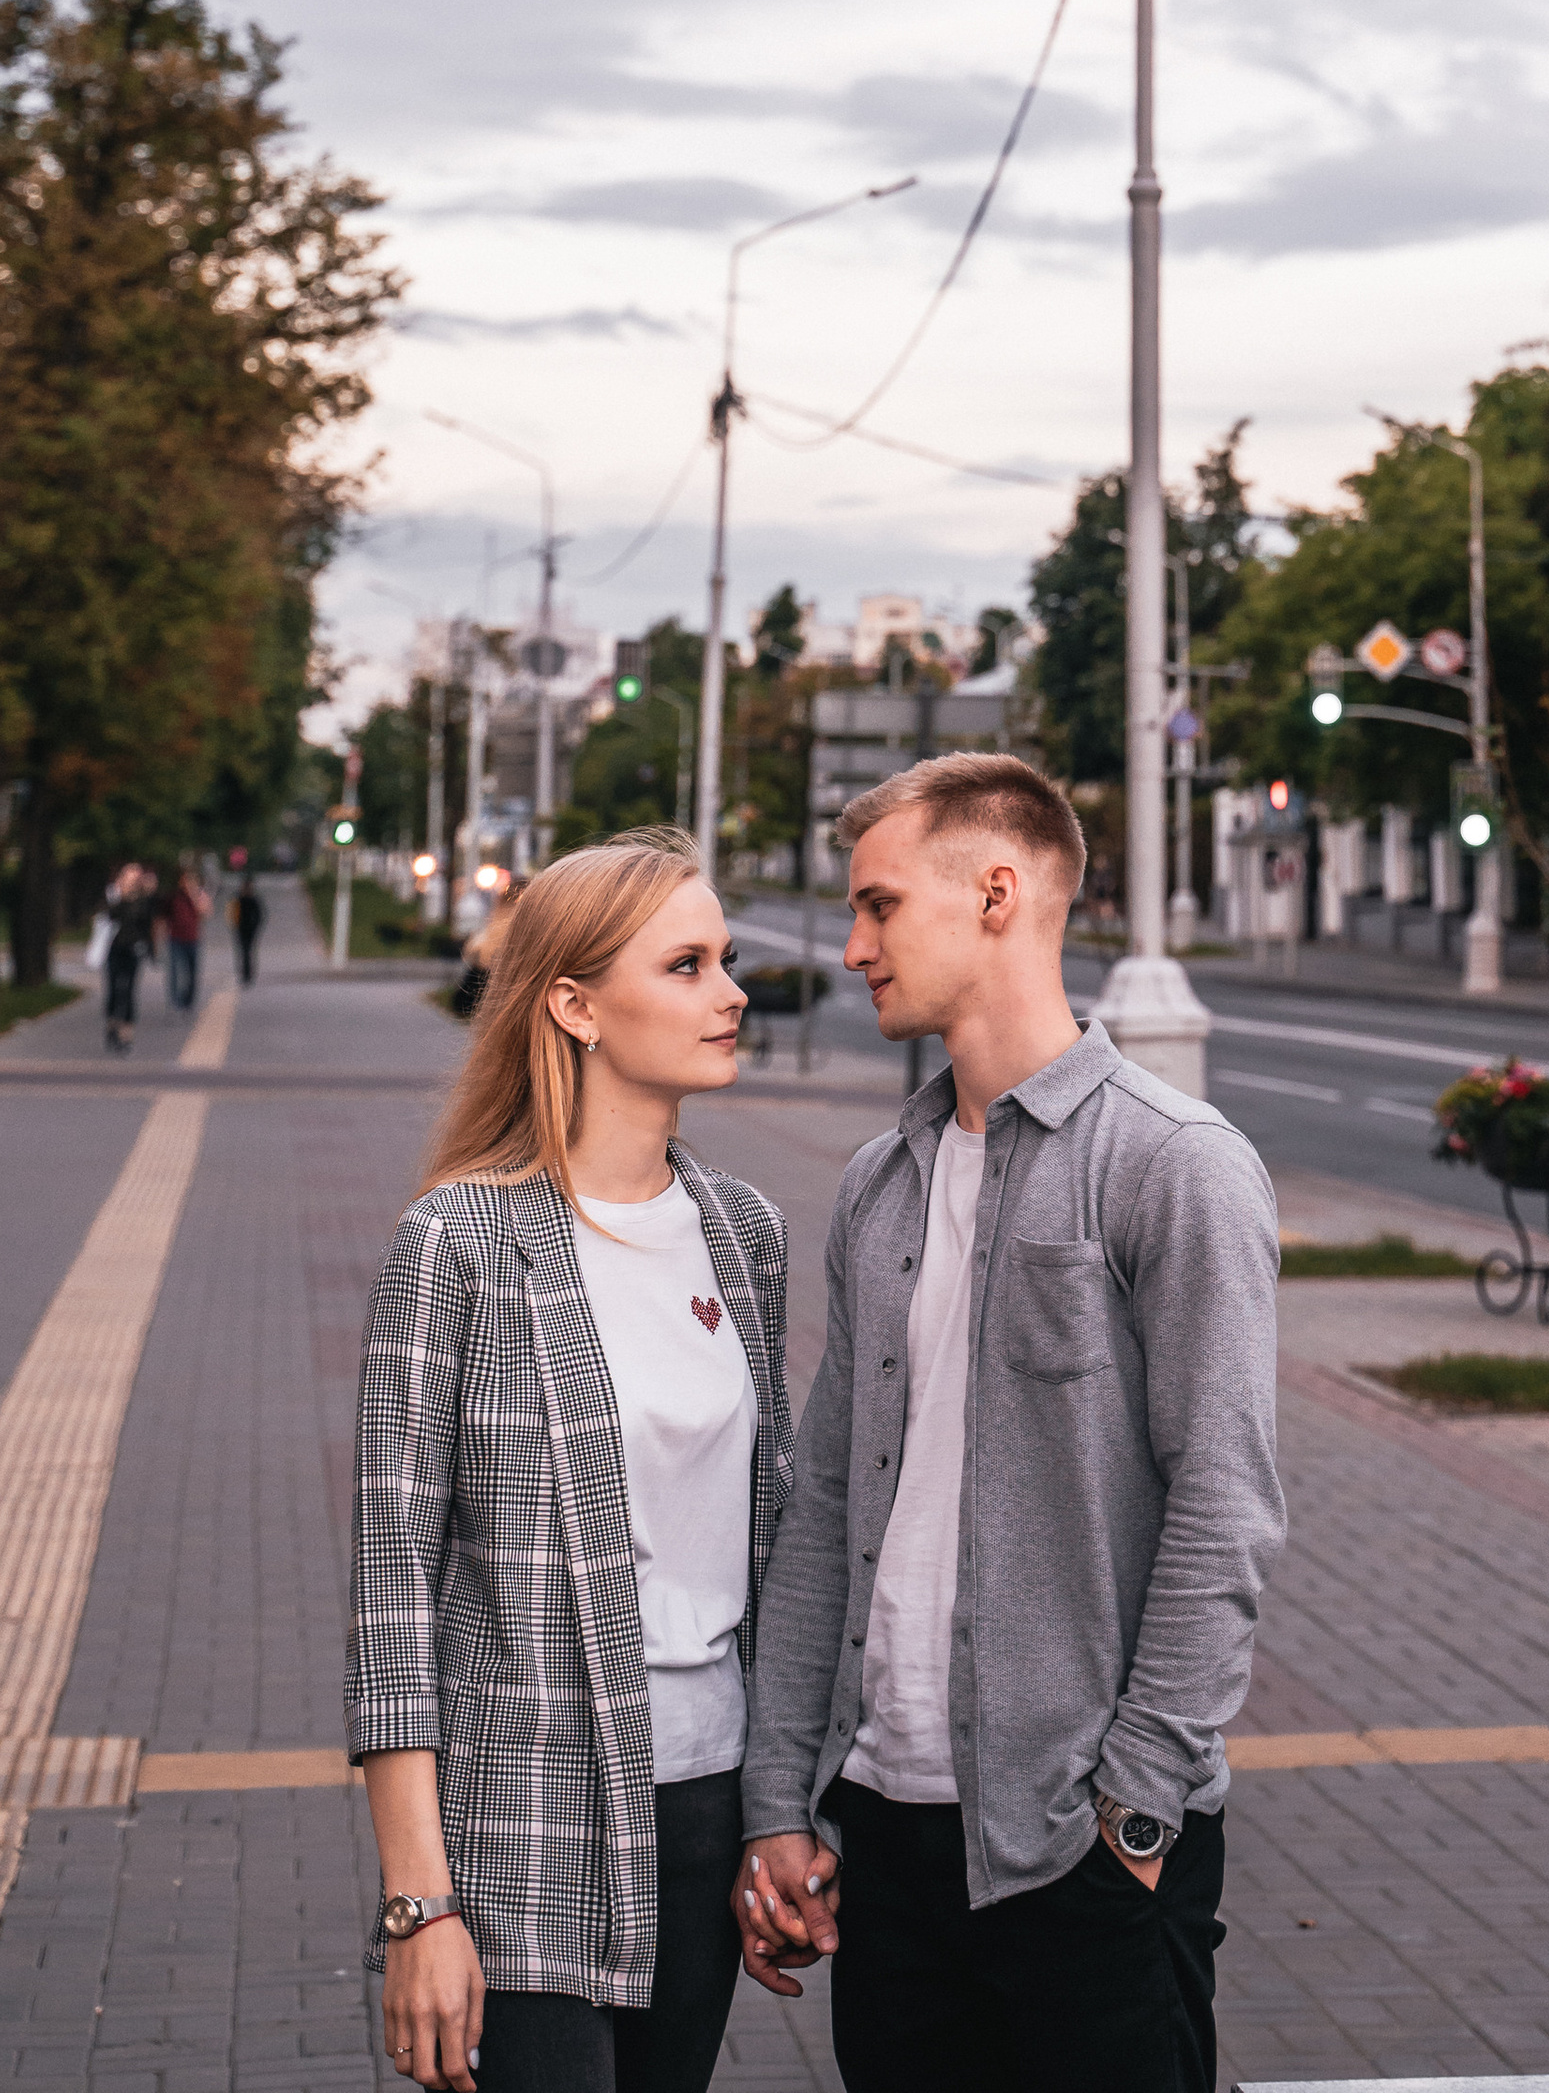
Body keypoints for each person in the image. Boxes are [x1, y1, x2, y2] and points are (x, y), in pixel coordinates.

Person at [736, 753, 1282, 2093]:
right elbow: (827, 1510)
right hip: (885, 1839)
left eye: (878, 907)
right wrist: (777, 1801)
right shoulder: (878, 1184)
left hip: (1079, 1848)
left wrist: (1135, 1812)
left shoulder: (1172, 1165)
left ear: (995, 894)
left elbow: (1223, 1503)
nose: (853, 947)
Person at [347, 824, 790, 2093]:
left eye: (726, 959)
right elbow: (392, 1598)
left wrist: (782, 1815)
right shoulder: (459, 1244)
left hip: (707, 1805)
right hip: (523, 1816)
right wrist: (418, 1907)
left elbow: (773, 1545)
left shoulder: (742, 1233)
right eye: (687, 966)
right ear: (574, 1005)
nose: (730, 993)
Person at [101, 862, 159, 1055]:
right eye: (128, 876)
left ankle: (126, 1034)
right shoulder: (114, 896)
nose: (132, 880)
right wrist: (120, 896)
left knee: (129, 991)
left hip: (133, 949)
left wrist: (151, 950)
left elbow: (149, 924)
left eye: (135, 877)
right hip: (114, 949)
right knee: (114, 989)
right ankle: (112, 1024)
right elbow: (109, 916)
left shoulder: (145, 900)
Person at [163, 862, 210, 1012]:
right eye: (185, 880)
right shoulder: (174, 897)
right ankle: (175, 1001)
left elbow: (205, 913)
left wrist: (194, 896)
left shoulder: (200, 895)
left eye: (191, 880)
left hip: (193, 939)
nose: (188, 883)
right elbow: (163, 916)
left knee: (192, 972)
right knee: (175, 971)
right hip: (175, 939)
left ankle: (188, 1000)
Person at [232, 867, 265, 985]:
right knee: (244, 951)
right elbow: (233, 912)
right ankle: (245, 973)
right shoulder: (239, 898)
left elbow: (260, 915)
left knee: (249, 950)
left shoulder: (253, 899)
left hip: (251, 928)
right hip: (241, 928)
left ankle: (248, 973)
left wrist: (256, 925)